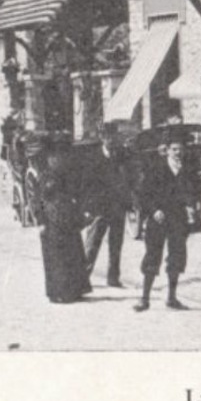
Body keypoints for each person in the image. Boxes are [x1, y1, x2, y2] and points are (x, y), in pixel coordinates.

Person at [134, 134, 196, 312]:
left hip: (178, 219)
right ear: (167, 150)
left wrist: (190, 206)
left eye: (180, 150)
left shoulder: (187, 170)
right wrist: (154, 210)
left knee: (176, 256)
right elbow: (144, 194)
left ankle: (172, 297)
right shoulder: (155, 168)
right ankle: (144, 299)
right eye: (174, 149)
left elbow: (192, 192)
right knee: (152, 256)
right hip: (158, 219)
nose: (178, 153)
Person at [38, 146, 92, 304]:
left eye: (60, 158)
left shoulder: (68, 176)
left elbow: (77, 195)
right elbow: (38, 202)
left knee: (73, 255)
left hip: (69, 218)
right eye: (54, 158)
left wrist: (81, 214)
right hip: (52, 220)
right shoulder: (44, 177)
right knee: (56, 259)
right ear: (49, 160)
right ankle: (56, 292)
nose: (57, 161)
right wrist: (41, 221)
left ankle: (75, 290)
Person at [82, 122, 132, 288]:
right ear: (102, 137)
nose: (111, 140)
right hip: (100, 208)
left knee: (116, 243)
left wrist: (128, 200)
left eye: (113, 136)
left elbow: (128, 177)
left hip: (118, 206)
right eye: (107, 137)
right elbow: (87, 185)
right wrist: (89, 208)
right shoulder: (93, 158)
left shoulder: (121, 154)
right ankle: (82, 277)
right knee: (92, 242)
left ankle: (113, 278)